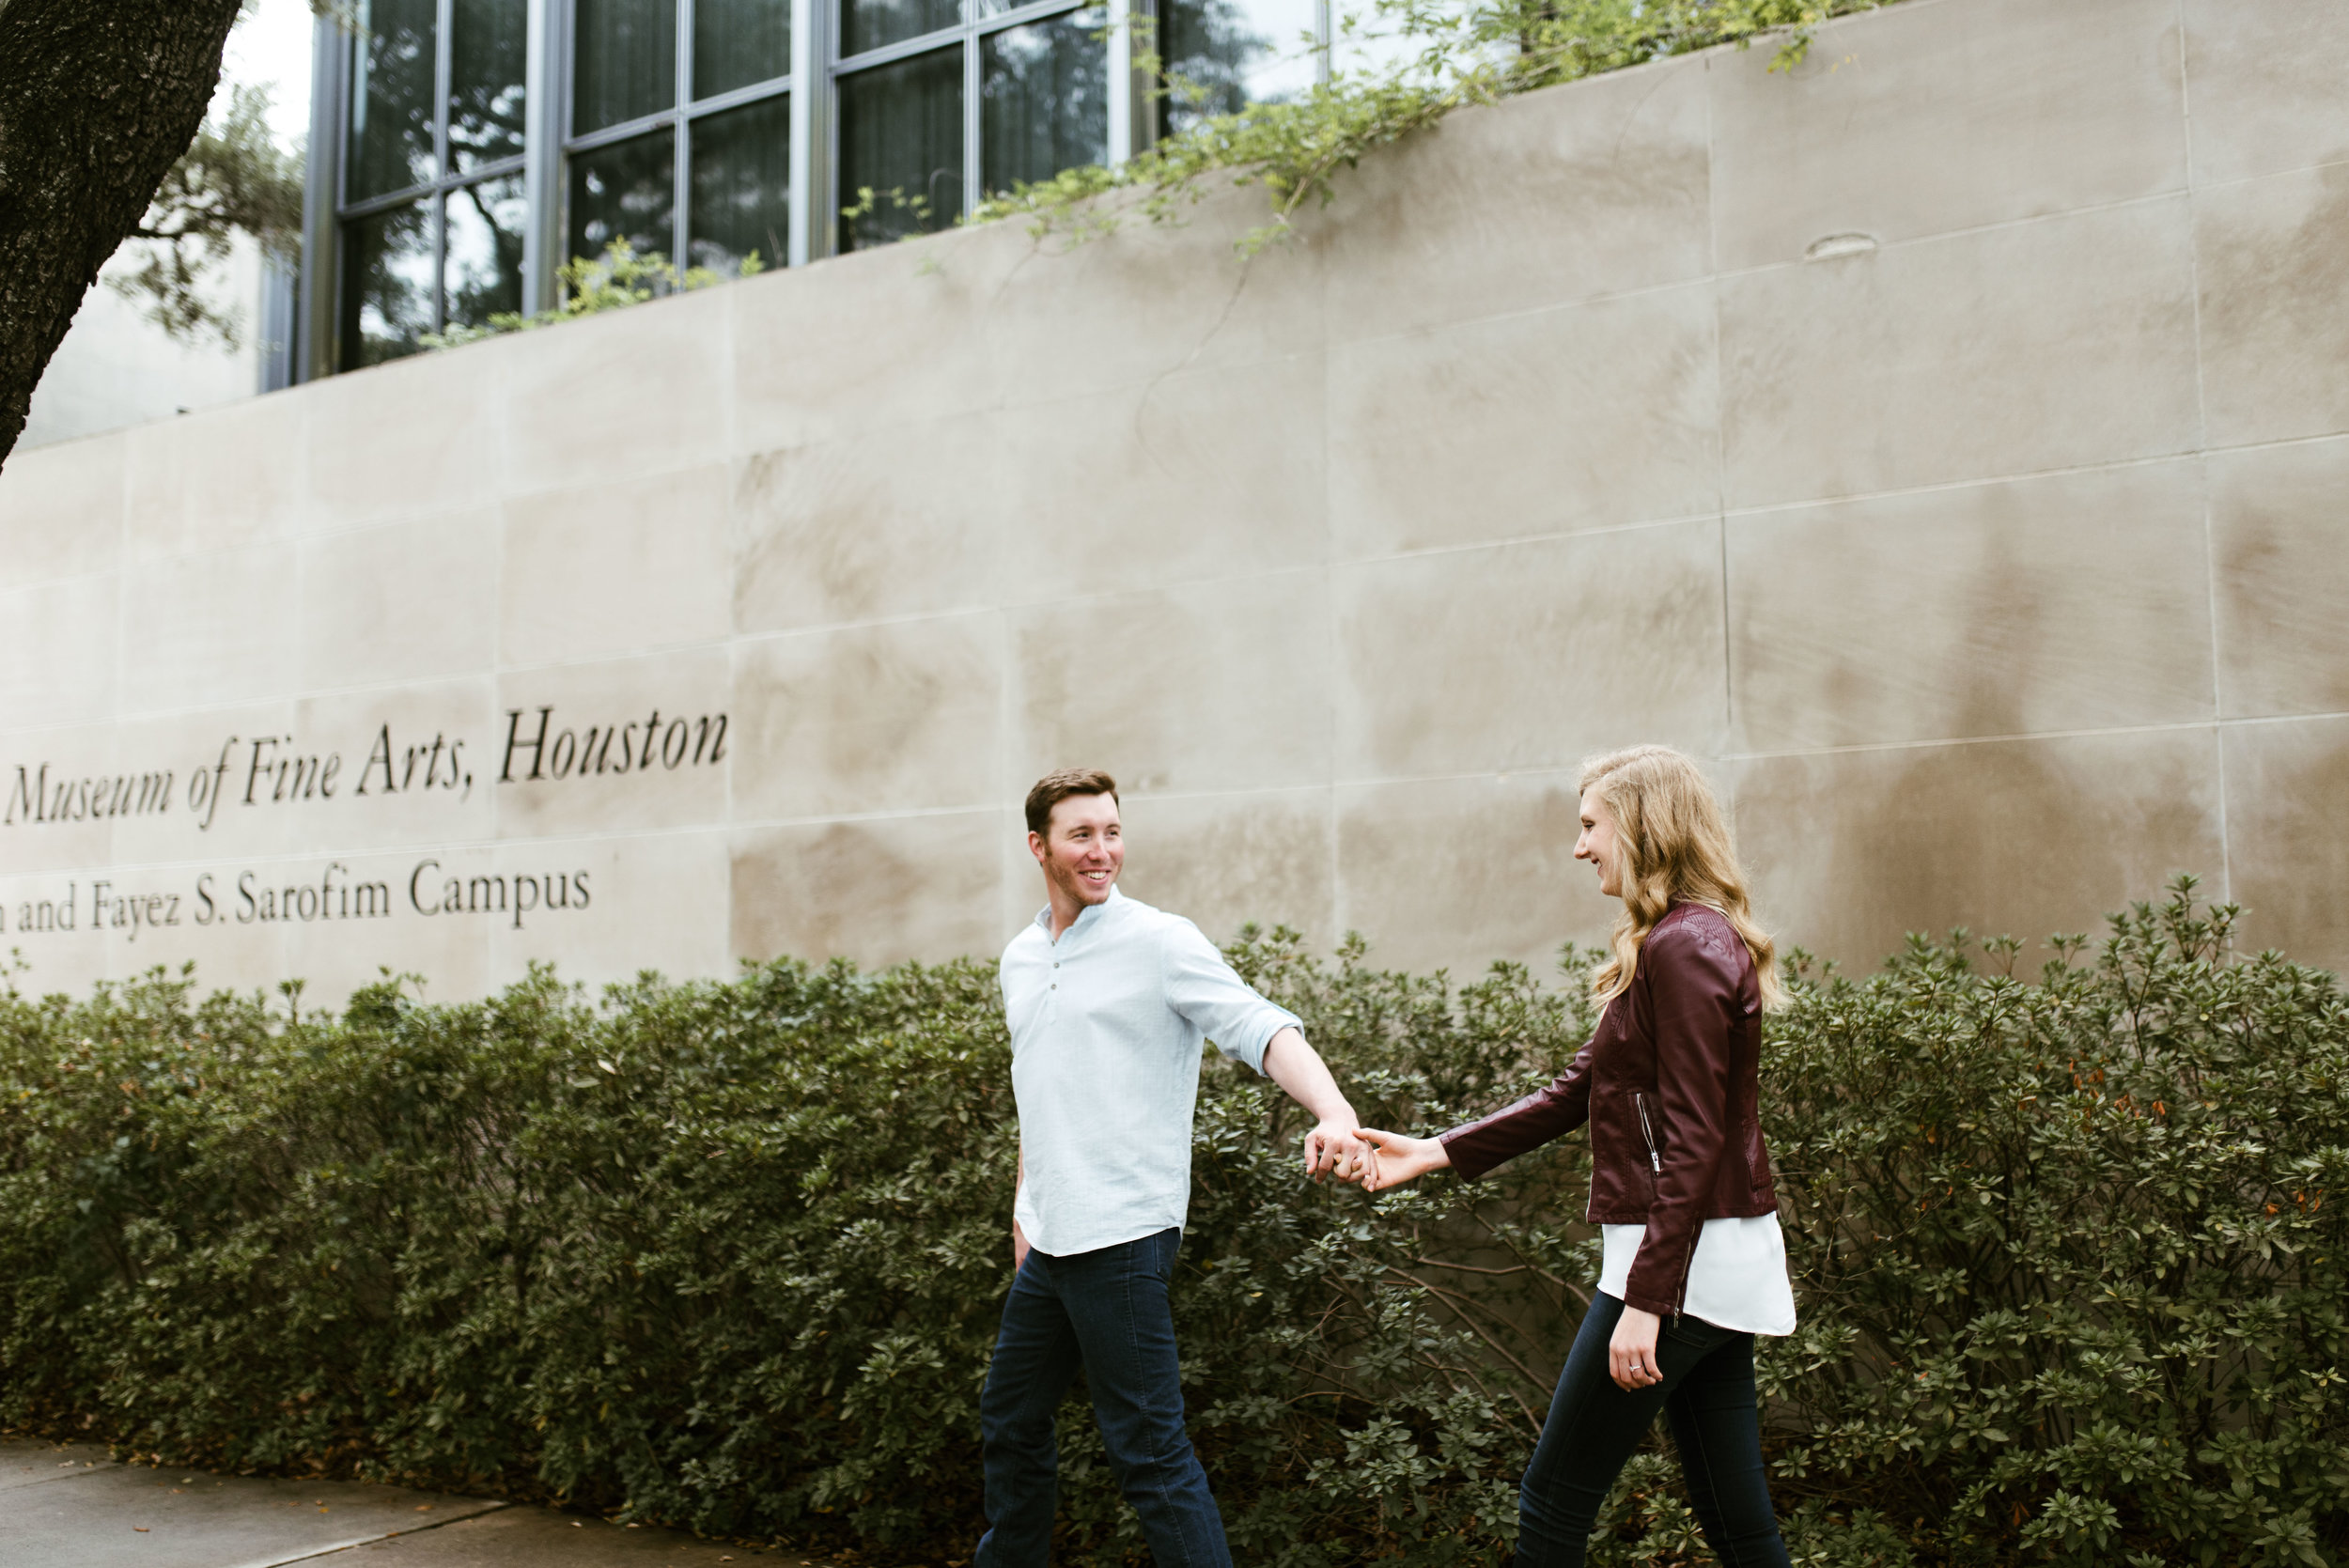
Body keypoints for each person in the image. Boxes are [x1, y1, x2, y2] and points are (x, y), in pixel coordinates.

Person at [1354, 745, 1797, 1568]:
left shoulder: (1684, 946)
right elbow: (1573, 1093)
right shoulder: (1675, 940)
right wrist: (1432, 1152)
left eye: (1591, 824)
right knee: (1738, 1521)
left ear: (1641, 824)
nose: (1579, 845)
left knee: (1554, 1498)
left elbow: (1695, 1139)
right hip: (1707, 1265)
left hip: (1677, 1271)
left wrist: (1646, 1301)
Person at [976, 768, 1376, 1567]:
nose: (1102, 851)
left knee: (1151, 1457)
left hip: (1122, 1238)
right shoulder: (1022, 958)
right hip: (1050, 1244)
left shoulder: (1160, 941)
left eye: (1112, 831)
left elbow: (1257, 1025)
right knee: (1010, 1419)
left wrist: (1334, 1110)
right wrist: (1026, 1206)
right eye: (1081, 834)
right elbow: (1041, 1090)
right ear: (1038, 846)